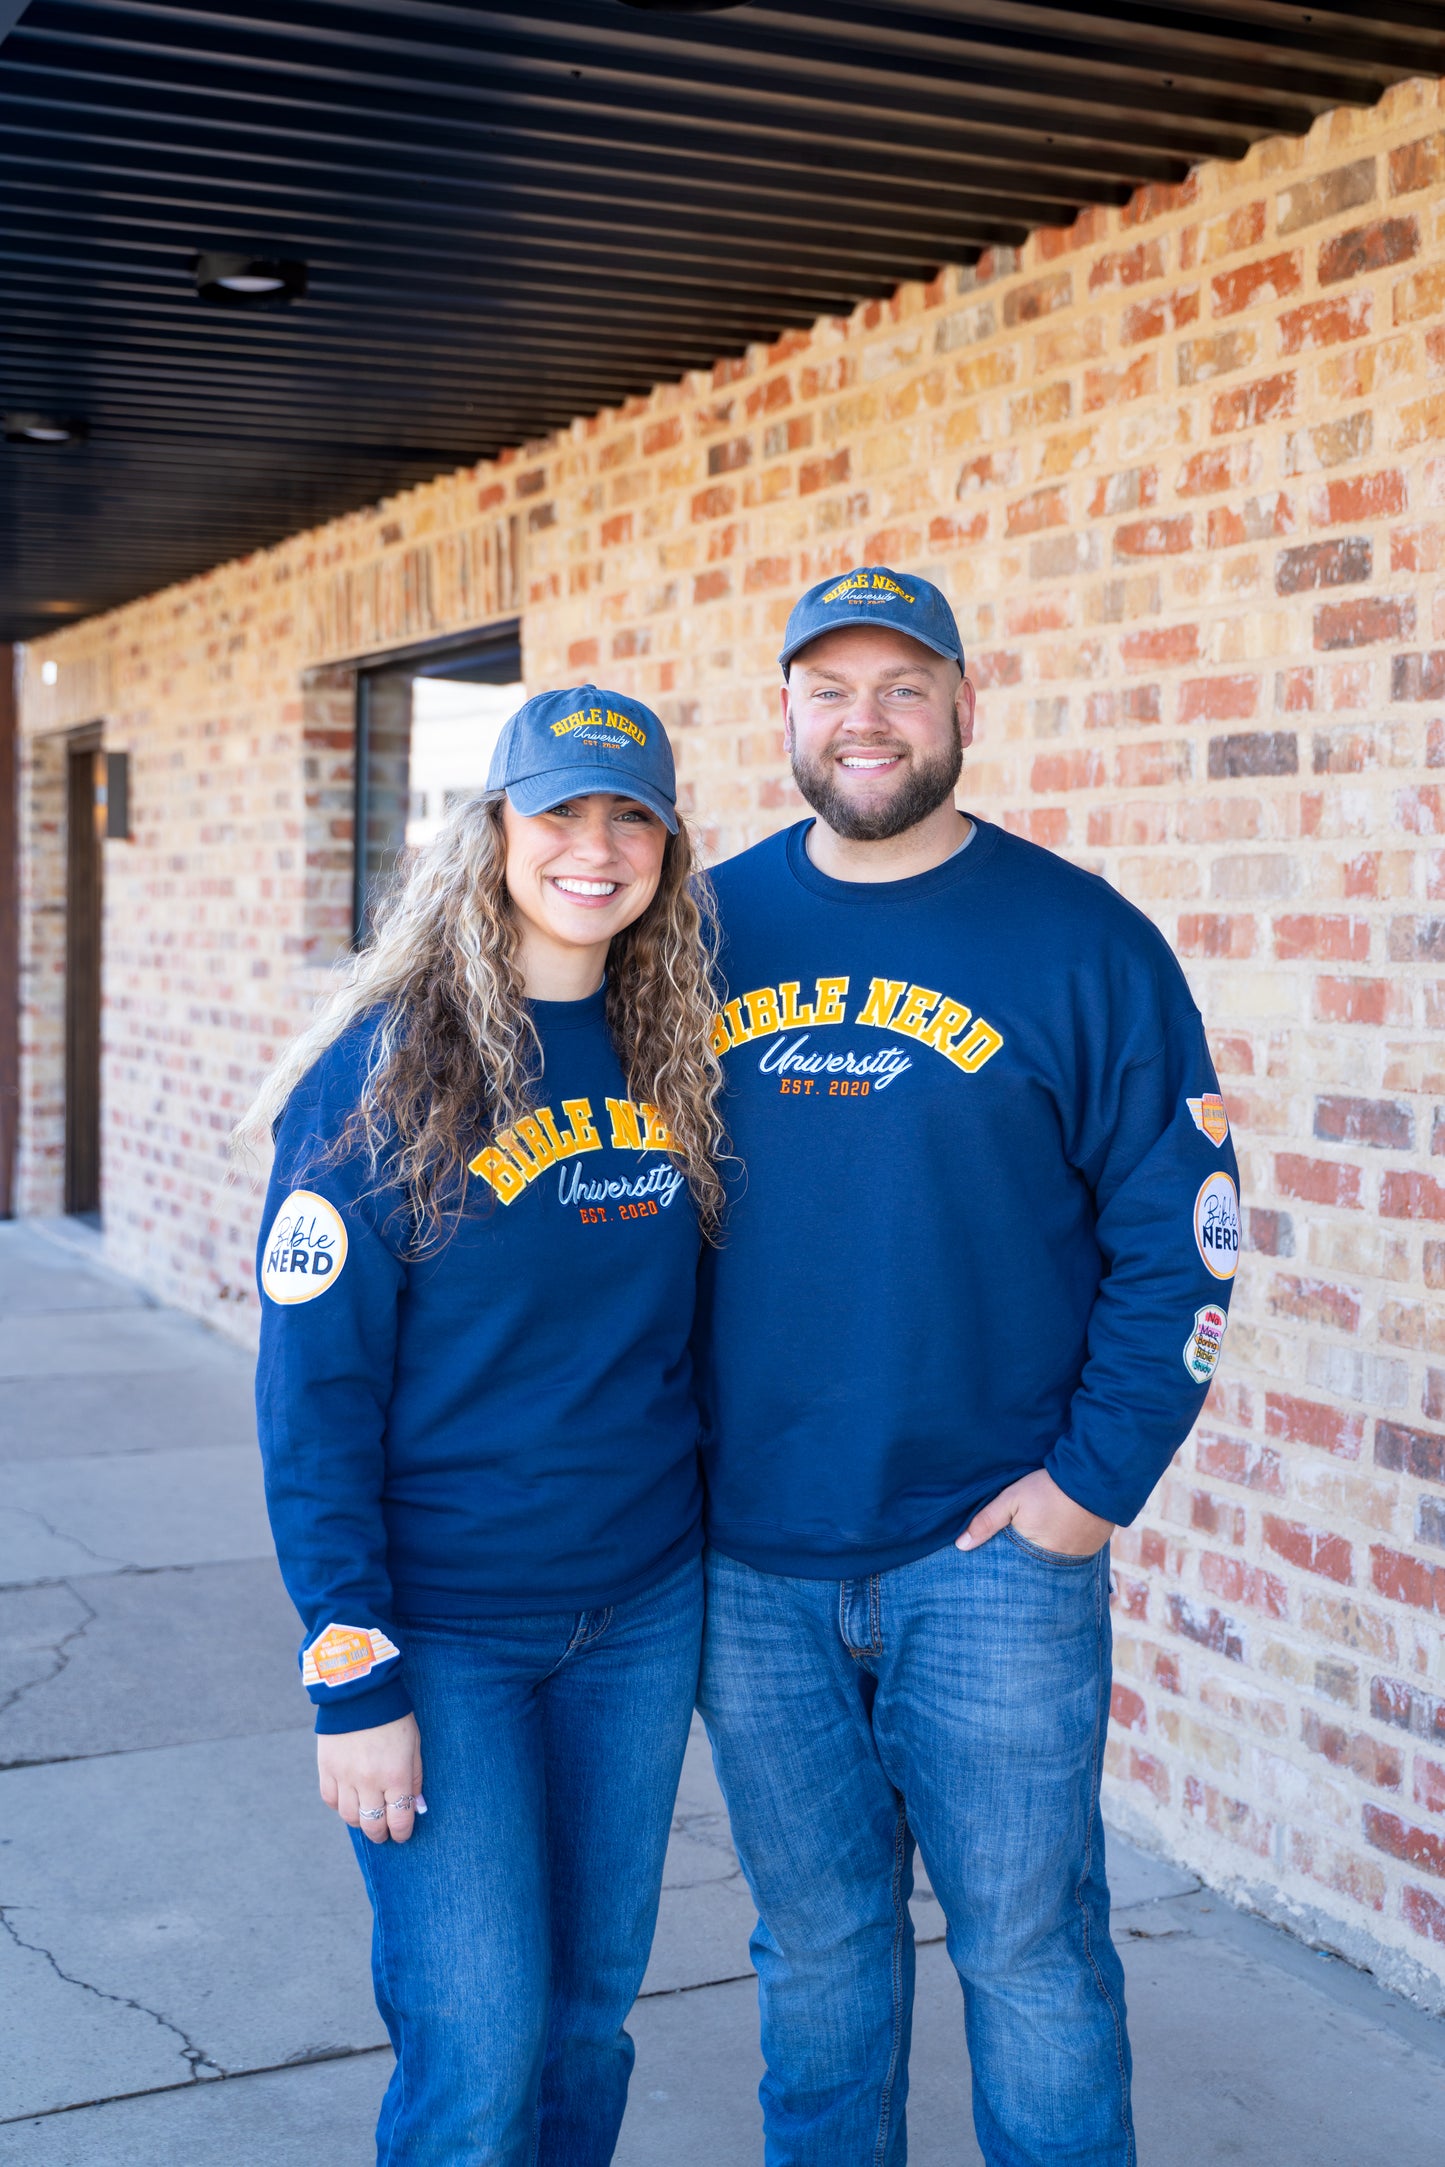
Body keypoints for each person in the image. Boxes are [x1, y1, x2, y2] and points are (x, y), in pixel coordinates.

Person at [695, 567, 1240, 2167]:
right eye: (829, 689)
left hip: (993, 1555)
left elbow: (1185, 1235)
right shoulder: (699, 932)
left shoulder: (1082, 941)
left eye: (900, 686)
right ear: (784, 713)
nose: (864, 721)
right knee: (812, 1961)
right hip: (750, 1559)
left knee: (1032, 1954)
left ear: (962, 706)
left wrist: (1090, 1488)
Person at [241, 686, 724, 2166]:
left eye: (627, 815)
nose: (595, 846)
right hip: (444, 1636)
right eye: (558, 813)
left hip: (637, 1616)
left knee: (587, 2016)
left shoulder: (679, 1049)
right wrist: (351, 1679)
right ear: (492, 835)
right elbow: (312, 1408)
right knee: (479, 2039)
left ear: (664, 845)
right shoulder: (384, 1074)